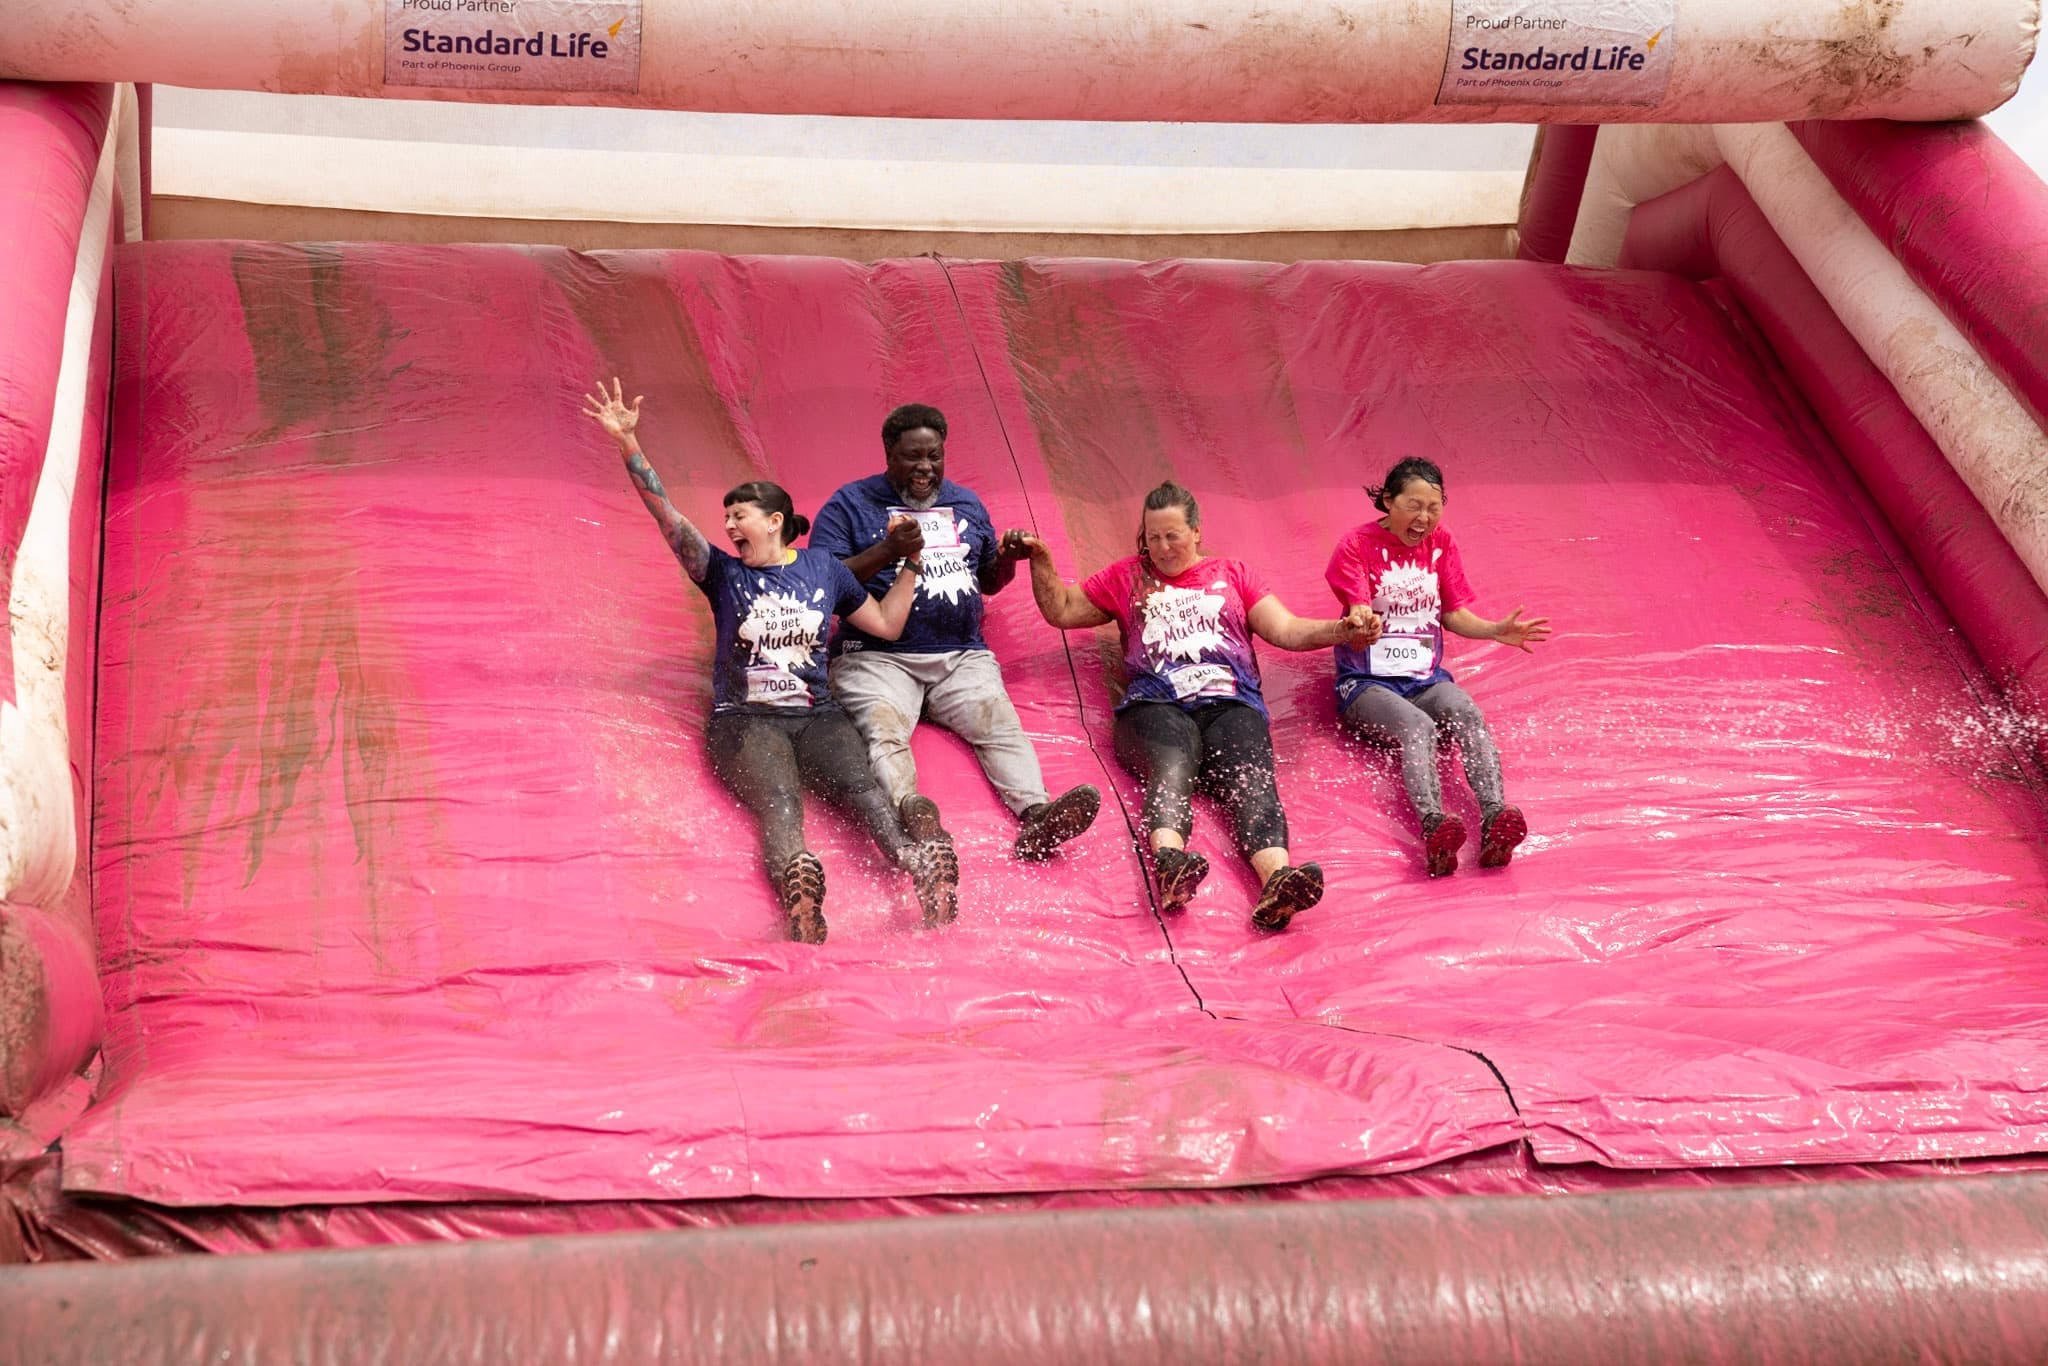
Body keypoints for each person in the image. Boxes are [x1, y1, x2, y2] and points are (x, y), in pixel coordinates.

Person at [581, 378, 959, 943]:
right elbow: (668, 519)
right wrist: (628, 445)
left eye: (740, 515)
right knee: (779, 801)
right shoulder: (721, 572)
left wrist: (910, 566)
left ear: (775, 520)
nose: (729, 525)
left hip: (819, 717)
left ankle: (915, 864)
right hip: (745, 721)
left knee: (864, 791)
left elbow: (885, 624)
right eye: (727, 517)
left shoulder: (823, 568)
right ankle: (799, 883)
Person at [1014, 481, 1377, 931]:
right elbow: (1063, 610)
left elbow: (1286, 630)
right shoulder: (1127, 577)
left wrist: (1339, 631)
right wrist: (1041, 560)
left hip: (1229, 704)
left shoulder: (1234, 574)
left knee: (1253, 782)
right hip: (1154, 706)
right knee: (1173, 765)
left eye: (1173, 535)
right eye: (1153, 537)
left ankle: (1276, 881)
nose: (1162, 547)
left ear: (1197, 532)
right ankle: (1170, 863)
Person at [810, 403, 1101, 860]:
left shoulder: (965, 503)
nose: (925, 468)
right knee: (882, 732)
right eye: (912, 457)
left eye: (934, 457)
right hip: (875, 654)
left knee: (1001, 726)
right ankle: (912, 812)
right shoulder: (849, 505)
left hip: (960, 655)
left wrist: (1006, 557)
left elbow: (987, 579)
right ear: (888, 453)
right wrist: (888, 550)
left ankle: (1038, 816)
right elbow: (822, 582)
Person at [1326, 457, 1551, 877]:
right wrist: (1361, 619)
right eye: (1414, 506)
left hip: (1426, 679)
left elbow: (1453, 613)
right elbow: (1357, 605)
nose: (1424, 518)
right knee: (1419, 728)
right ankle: (1434, 824)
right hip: (1367, 685)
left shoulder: (1442, 541)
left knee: (1465, 710)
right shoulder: (1356, 544)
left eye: (1434, 507)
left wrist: (1494, 630)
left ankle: (1494, 817)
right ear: (1388, 502)